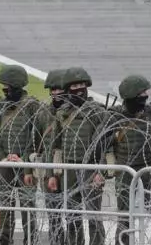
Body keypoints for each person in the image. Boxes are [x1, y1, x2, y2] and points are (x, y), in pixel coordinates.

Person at [106, 75, 151, 245]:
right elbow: (103, 143)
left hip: (147, 167)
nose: (145, 96)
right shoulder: (114, 116)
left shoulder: (150, 113)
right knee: (124, 214)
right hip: (124, 170)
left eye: (145, 92)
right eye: (141, 93)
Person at [49, 68, 108, 245]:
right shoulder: (62, 114)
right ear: (68, 88)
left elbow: (104, 145)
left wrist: (101, 171)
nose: (79, 88)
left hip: (90, 168)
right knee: (72, 216)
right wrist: (54, 173)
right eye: (74, 85)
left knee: (93, 216)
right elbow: (57, 147)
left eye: (81, 84)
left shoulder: (97, 112)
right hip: (69, 170)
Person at [0, 65, 44, 245]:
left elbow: (37, 135)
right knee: (6, 205)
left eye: (8, 86)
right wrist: (3, 157)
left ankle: (30, 240)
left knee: (28, 206)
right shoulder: (0, 105)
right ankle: (5, 240)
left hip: (25, 165)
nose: (5, 90)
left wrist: (24, 158)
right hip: (4, 164)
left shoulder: (32, 106)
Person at [36, 70, 68, 245]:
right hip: (48, 170)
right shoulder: (42, 114)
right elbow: (35, 143)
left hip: (70, 168)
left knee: (72, 215)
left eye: (59, 89)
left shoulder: (73, 113)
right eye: (52, 90)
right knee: (53, 216)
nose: (55, 93)